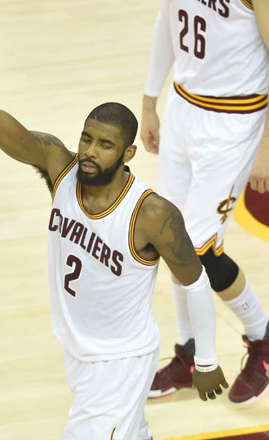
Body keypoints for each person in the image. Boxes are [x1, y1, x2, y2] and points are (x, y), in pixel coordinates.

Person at [0, 10, 227, 440]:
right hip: (78, 351)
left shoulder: (152, 214)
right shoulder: (59, 169)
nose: (89, 151)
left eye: (105, 145)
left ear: (128, 154)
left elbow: (194, 282)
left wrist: (207, 361)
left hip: (120, 362)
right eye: (86, 138)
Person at [141, 0, 269, 404]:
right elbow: (167, 22)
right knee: (168, 237)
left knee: (198, 247)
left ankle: (262, 336)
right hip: (183, 106)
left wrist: (266, 148)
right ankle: (191, 352)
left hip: (233, 120)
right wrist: (149, 103)